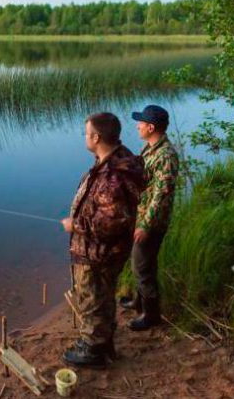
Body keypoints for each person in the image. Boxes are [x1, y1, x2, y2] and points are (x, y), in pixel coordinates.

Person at [61, 112, 144, 367]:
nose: (85, 137)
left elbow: (111, 222)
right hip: (106, 251)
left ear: (96, 137)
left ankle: (94, 352)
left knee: (92, 300)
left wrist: (75, 224)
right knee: (103, 296)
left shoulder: (112, 176)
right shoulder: (116, 157)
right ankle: (104, 343)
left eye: (87, 133)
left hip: (97, 253)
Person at [121, 105, 179, 331]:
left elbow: (161, 195)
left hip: (152, 222)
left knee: (142, 267)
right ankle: (139, 302)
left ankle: (151, 315)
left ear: (151, 127)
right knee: (141, 263)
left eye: (141, 123)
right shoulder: (151, 147)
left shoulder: (166, 156)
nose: (138, 125)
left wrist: (145, 225)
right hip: (143, 216)